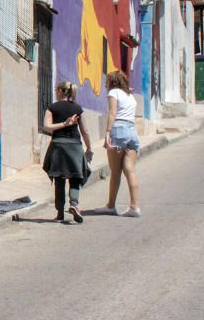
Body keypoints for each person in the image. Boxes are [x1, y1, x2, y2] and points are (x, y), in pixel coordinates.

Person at [90, 71, 142, 217]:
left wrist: (107, 133)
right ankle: (134, 206)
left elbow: (113, 112)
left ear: (111, 82)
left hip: (119, 129)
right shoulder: (130, 96)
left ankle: (111, 206)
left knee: (115, 172)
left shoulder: (114, 92)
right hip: (132, 131)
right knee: (130, 170)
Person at [42, 81, 94, 222]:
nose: (55, 92)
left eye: (55, 90)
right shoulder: (77, 108)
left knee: (59, 179)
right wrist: (89, 148)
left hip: (58, 146)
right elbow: (85, 131)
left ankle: (60, 213)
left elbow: (47, 127)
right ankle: (75, 205)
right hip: (74, 147)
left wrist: (62, 124)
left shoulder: (52, 107)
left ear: (60, 91)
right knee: (75, 177)